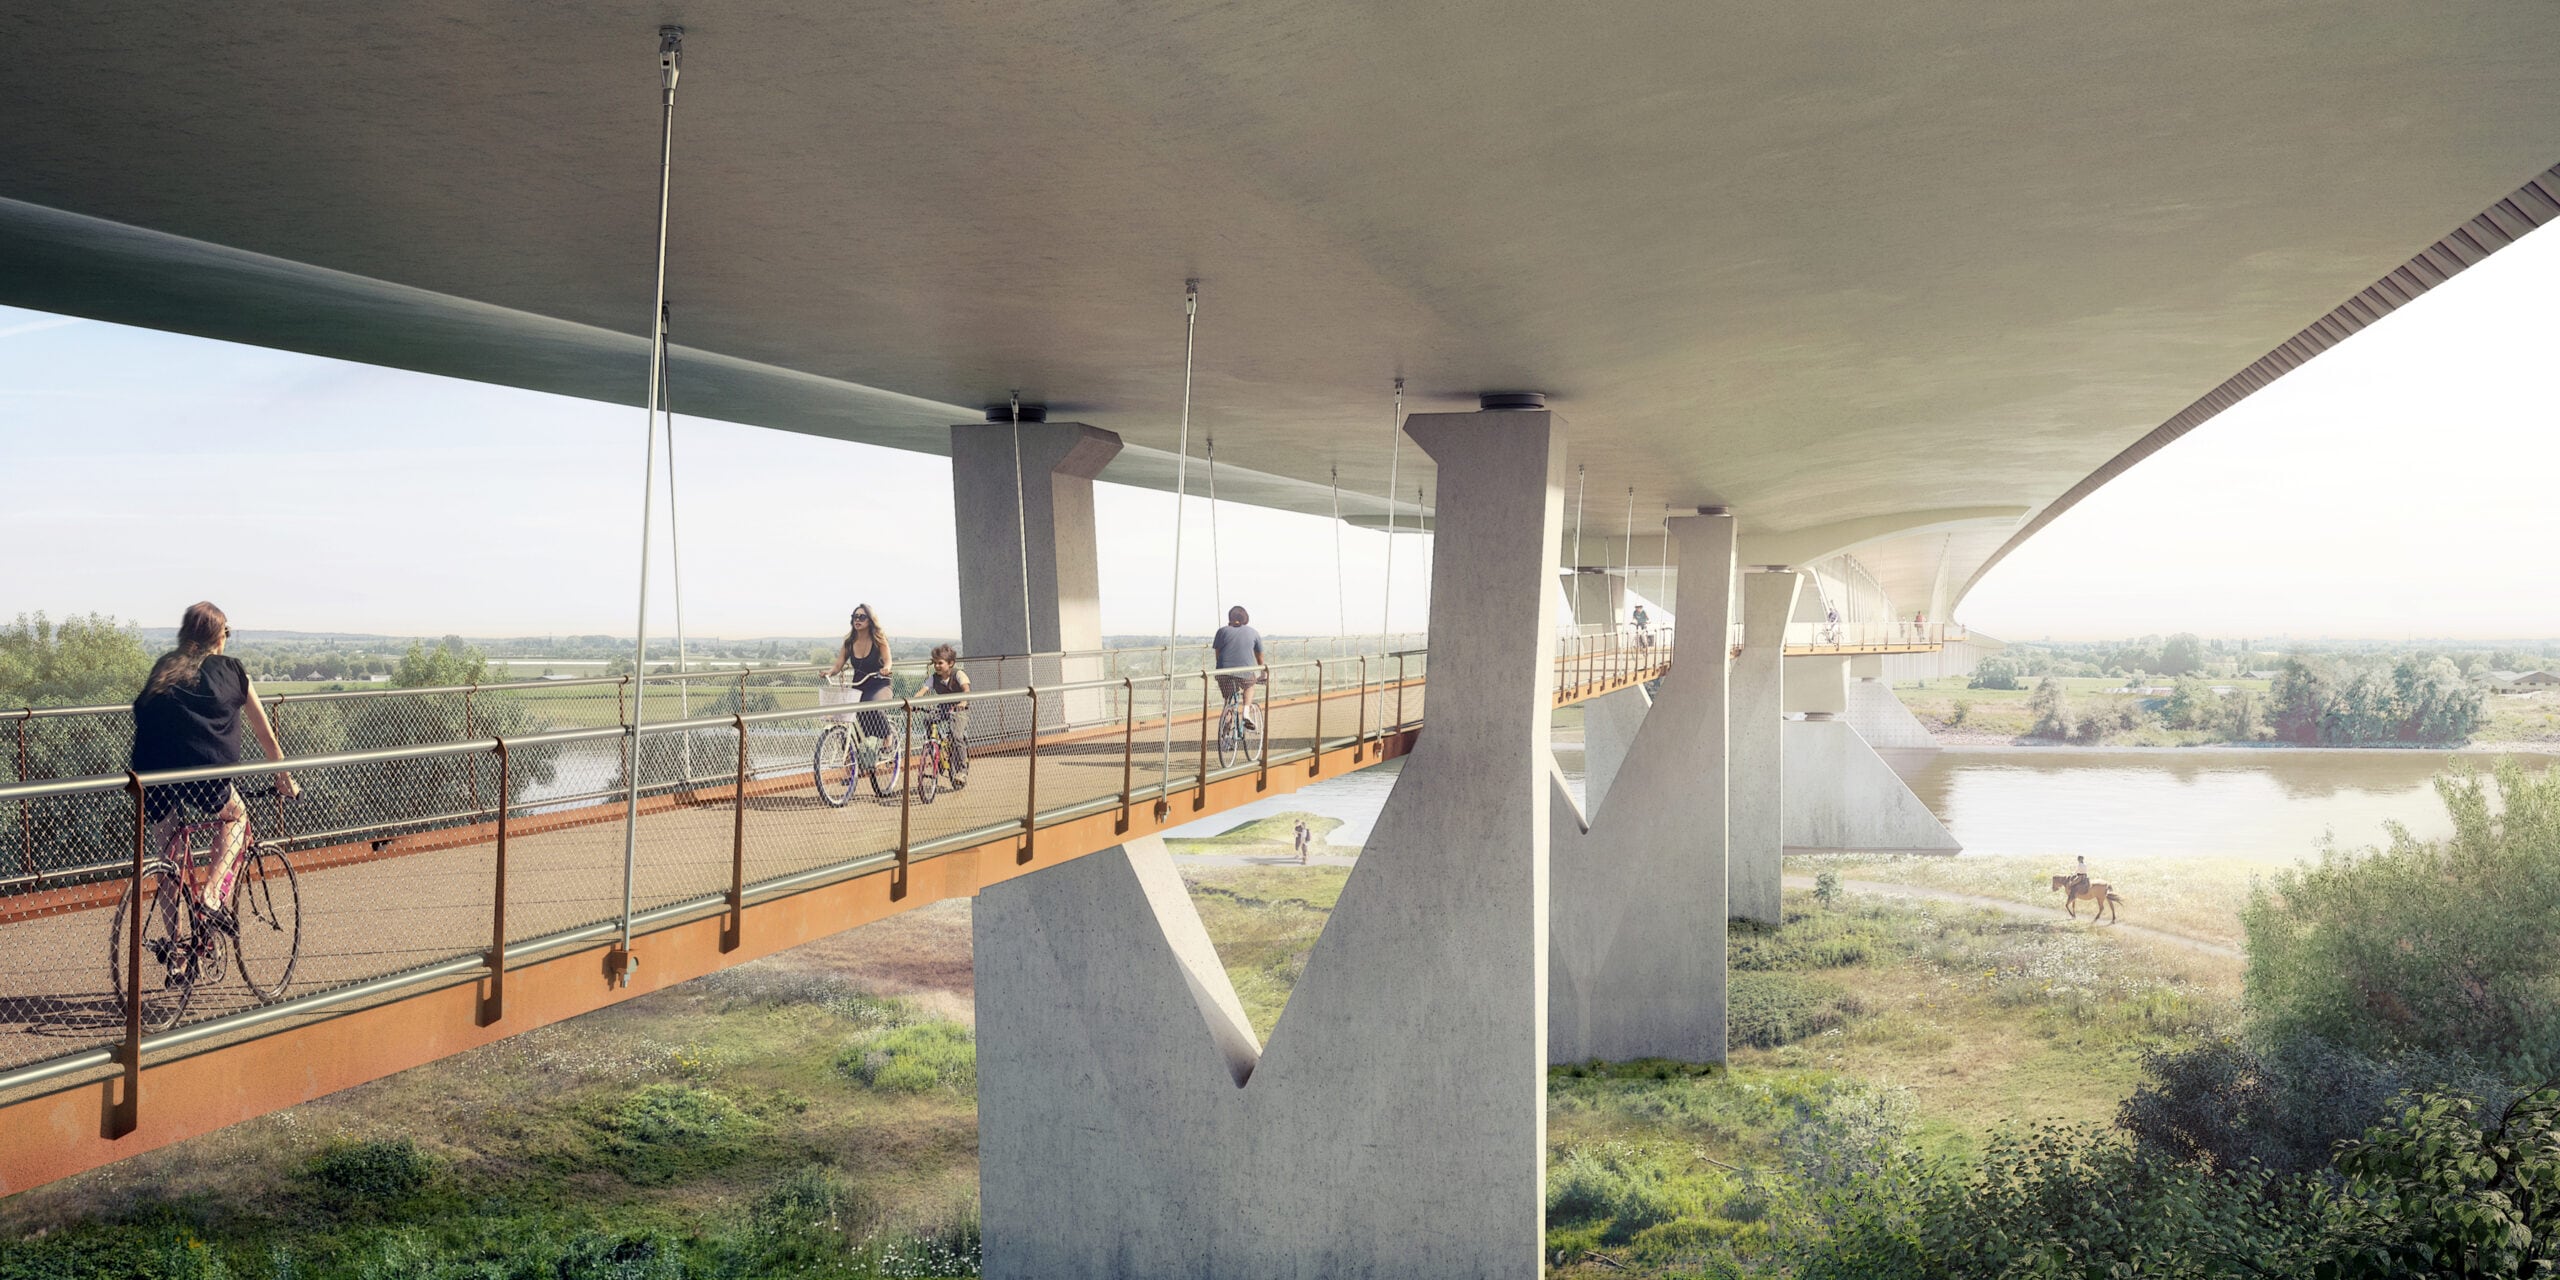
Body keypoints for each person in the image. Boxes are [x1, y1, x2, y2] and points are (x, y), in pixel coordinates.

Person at [131, 602, 299, 935]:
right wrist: (284, 778)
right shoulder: (233, 671)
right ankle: (211, 895)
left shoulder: (165, 667)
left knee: (169, 862)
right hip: (203, 773)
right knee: (236, 816)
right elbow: (267, 736)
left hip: (151, 773)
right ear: (219, 637)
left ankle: (179, 955)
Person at [825, 605, 895, 780]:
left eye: (862, 617)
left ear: (870, 620)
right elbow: (839, 663)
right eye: (855, 616)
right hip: (859, 684)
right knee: (848, 722)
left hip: (879, 683)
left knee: (873, 706)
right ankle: (852, 770)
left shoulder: (879, 640)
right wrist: (830, 672)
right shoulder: (849, 642)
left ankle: (888, 736)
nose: (857, 620)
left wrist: (886, 669)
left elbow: (888, 661)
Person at [1211, 605, 1264, 731]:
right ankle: (1246, 712)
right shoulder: (1254, 633)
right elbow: (1259, 657)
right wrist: (1263, 674)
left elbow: (1218, 654)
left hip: (1223, 672)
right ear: (1246, 618)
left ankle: (1225, 739)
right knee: (1250, 686)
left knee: (1228, 702)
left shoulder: (1221, 631)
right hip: (1244, 673)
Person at [925, 643, 971, 777]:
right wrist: (911, 703)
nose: (937, 666)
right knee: (928, 719)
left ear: (950, 663)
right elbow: (923, 690)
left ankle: (962, 770)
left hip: (959, 709)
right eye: (935, 663)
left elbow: (966, 690)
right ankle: (936, 748)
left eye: (940, 663)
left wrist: (963, 702)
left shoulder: (959, 674)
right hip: (944, 708)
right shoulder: (934, 678)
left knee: (957, 736)